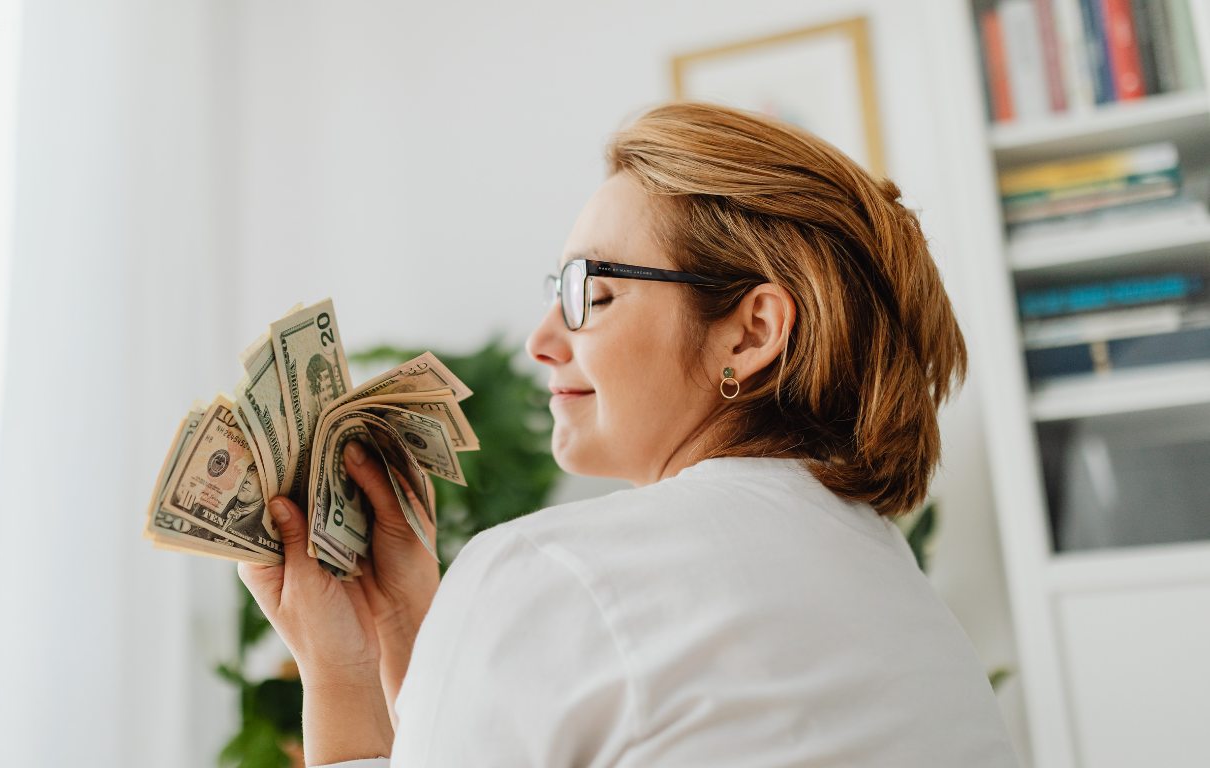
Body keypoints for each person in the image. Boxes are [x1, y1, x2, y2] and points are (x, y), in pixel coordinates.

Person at [239, 101, 1021, 767]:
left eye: (593, 292)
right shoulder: (909, 606)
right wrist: (410, 625)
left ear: (750, 333)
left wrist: (337, 672)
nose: (541, 340)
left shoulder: (550, 571)